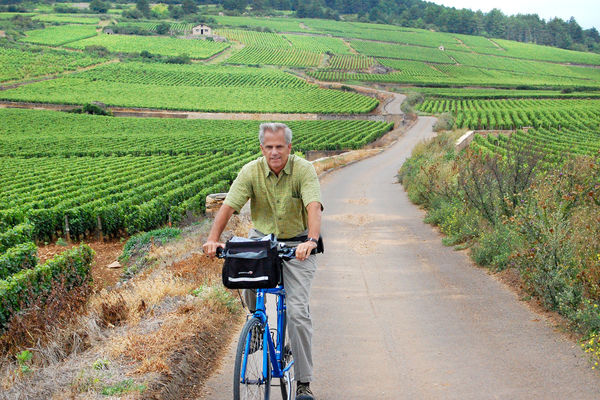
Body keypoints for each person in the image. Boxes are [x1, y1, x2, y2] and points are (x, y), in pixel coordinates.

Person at [203, 122, 323, 400]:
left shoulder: (303, 170)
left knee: (297, 312)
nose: (274, 152)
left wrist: (311, 241)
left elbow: (313, 206)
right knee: (243, 270)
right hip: (263, 241)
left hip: (298, 244)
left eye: (280, 146)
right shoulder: (250, 171)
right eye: (269, 147)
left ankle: (304, 383)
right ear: (262, 148)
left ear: (289, 148)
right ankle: (257, 325)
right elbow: (229, 206)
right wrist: (213, 239)